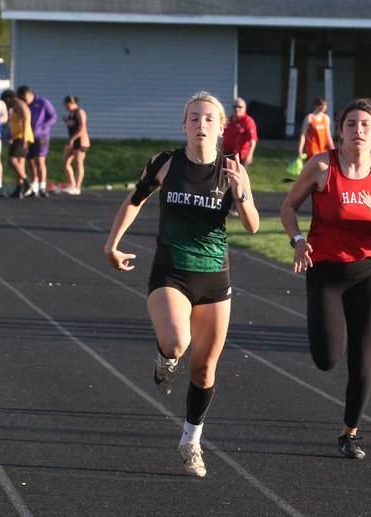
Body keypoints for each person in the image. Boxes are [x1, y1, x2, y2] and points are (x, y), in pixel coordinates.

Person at [104, 91, 259, 477]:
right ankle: (165, 355)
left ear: (221, 126)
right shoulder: (165, 163)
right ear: (184, 124)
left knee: (205, 371)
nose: (201, 124)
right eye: (194, 118)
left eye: (209, 118)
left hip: (214, 277)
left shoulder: (232, 169)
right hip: (171, 270)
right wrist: (112, 244)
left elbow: (252, 224)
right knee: (177, 341)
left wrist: (240, 190)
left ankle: (191, 440)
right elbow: (135, 199)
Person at [280, 98, 371, 459]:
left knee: (362, 359)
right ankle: (346, 422)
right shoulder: (322, 165)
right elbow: (288, 206)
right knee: (327, 358)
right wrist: (297, 240)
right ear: (340, 130)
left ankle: (350, 433)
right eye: (351, 124)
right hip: (325, 272)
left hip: (367, 273)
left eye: (366, 125)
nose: (358, 131)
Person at [18, 85, 57, 197]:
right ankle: (34, 185)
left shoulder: (43, 102)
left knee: (40, 161)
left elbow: (53, 117)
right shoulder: (23, 105)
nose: (24, 101)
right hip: (28, 136)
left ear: (30, 94)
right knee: (30, 161)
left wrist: (44, 127)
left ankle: (42, 187)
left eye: (25, 98)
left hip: (42, 136)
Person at [1, 89, 34, 198]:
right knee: (20, 163)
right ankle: (19, 189)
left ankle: (27, 184)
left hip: (22, 137)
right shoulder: (16, 105)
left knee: (12, 160)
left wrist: (24, 138)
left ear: (8, 99)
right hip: (18, 136)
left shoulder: (18, 104)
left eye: (5, 102)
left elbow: (26, 117)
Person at [62, 95, 90, 195]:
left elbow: (82, 128)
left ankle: (77, 187)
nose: (66, 107)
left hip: (81, 141)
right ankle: (72, 184)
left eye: (68, 104)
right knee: (65, 162)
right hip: (72, 141)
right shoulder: (70, 114)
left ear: (73, 103)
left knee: (78, 162)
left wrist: (73, 139)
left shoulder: (80, 112)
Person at [222, 97, 258, 166]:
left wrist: (250, 155)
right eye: (235, 107)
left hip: (240, 156)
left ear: (245, 108)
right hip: (227, 154)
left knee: (238, 176)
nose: (237, 109)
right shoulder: (229, 120)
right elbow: (223, 136)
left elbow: (252, 140)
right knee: (225, 175)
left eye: (240, 107)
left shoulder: (248, 121)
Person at [297, 96, 335, 161]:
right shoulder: (309, 118)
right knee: (315, 165)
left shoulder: (326, 118)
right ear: (317, 106)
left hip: (323, 147)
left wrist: (332, 148)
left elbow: (328, 135)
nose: (325, 108)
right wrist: (300, 149)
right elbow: (303, 135)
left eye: (326, 106)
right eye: (323, 106)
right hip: (312, 147)